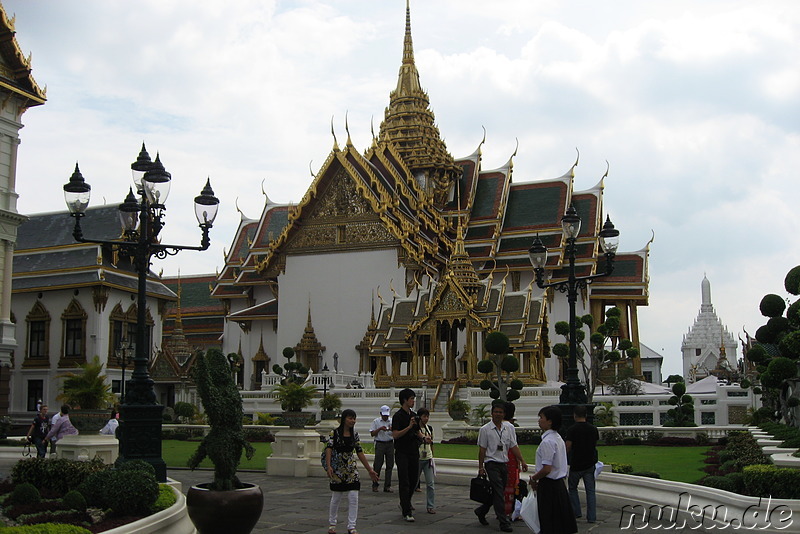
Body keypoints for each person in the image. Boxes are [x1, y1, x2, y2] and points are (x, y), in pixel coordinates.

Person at [476, 400, 528, 533]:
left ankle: (481, 510)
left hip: (503, 463)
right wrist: (481, 467)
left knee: (498, 491)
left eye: (500, 412)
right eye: (495, 412)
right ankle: (503, 522)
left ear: (504, 414)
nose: (498, 414)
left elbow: (513, 446)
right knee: (499, 491)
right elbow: (482, 450)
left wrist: (522, 460)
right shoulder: (485, 429)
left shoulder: (508, 428)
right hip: (491, 463)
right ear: (491, 413)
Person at [325, 408, 379, 534]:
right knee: (336, 497)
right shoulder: (335, 434)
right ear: (344, 419)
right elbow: (329, 449)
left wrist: (370, 470)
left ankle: (351, 526)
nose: (352, 421)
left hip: (351, 469)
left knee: (353, 496)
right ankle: (332, 524)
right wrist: (329, 466)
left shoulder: (354, 435)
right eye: (350, 418)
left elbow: (359, 452)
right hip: (338, 469)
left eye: (354, 418)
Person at [529, 405, 577, 534]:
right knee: (559, 521)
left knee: (548, 520)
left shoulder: (548, 442)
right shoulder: (558, 438)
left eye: (541, 417)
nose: (539, 420)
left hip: (549, 485)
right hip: (558, 484)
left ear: (550, 421)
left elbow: (546, 469)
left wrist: (533, 479)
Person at [391, 388, 422, 522]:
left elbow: (418, 431)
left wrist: (424, 437)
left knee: (414, 480)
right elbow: (395, 434)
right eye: (411, 399)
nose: (413, 401)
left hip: (413, 451)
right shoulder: (398, 416)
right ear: (405, 400)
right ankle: (406, 511)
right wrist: (409, 427)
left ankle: (405, 502)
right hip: (402, 452)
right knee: (404, 481)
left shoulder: (414, 415)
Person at [565, 405, 599, 523]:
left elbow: (568, 446)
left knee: (573, 488)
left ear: (575, 415)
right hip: (590, 463)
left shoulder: (572, 429)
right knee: (590, 491)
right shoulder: (593, 429)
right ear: (586, 415)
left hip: (576, 463)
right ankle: (592, 517)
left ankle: (576, 511)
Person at [369, 404, 394, 493]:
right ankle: (375, 484)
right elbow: (372, 433)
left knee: (390, 465)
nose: (385, 417)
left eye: (386, 415)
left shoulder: (392, 421)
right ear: (380, 414)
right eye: (384, 415)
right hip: (380, 443)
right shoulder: (376, 422)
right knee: (378, 465)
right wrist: (379, 429)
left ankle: (387, 485)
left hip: (390, 443)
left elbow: (396, 432)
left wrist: (392, 429)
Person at [502, 402, 521, 518]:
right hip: (510, 457)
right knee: (511, 485)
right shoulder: (509, 426)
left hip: (502, 456)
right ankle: (508, 511)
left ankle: (503, 510)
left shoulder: (498, 424)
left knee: (504, 485)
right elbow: (514, 445)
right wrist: (520, 459)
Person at [416, 407, 436, 514]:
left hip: (427, 458)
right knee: (413, 483)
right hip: (418, 458)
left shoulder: (429, 428)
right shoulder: (416, 429)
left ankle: (430, 505)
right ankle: (406, 503)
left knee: (430, 484)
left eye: (427, 416)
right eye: (424, 416)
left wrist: (432, 455)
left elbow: (431, 443)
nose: (426, 419)